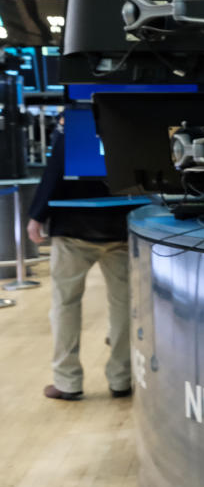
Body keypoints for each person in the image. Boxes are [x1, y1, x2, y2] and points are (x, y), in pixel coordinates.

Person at [28, 118, 132, 401]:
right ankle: (122, 378)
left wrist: (37, 215)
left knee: (65, 304)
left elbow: (56, 166)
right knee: (124, 305)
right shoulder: (134, 110)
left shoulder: (76, 116)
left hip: (73, 225)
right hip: (122, 224)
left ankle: (67, 381)